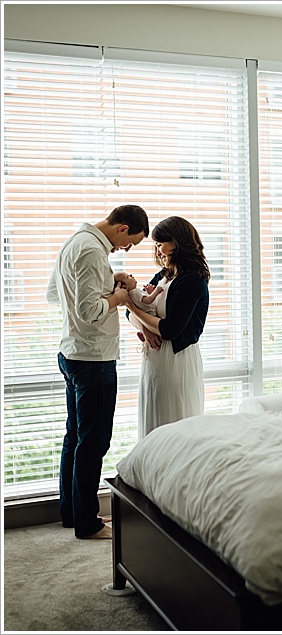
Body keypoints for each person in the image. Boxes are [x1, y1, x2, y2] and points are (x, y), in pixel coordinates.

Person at [47, 204, 149, 540]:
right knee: (94, 442)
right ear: (122, 228)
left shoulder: (74, 242)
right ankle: (88, 523)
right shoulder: (92, 250)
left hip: (72, 352)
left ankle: (71, 513)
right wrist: (119, 296)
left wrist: (110, 280)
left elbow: (56, 295)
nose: (126, 249)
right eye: (130, 242)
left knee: (75, 437)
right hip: (93, 359)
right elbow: (90, 310)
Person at [124, 216, 211, 438]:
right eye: (155, 245)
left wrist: (135, 311)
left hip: (176, 361)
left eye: (160, 244)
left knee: (173, 425)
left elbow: (170, 329)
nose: (158, 250)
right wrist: (144, 328)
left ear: (177, 242)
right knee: (153, 422)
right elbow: (129, 314)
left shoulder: (191, 281)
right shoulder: (164, 275)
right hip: (154, 361)